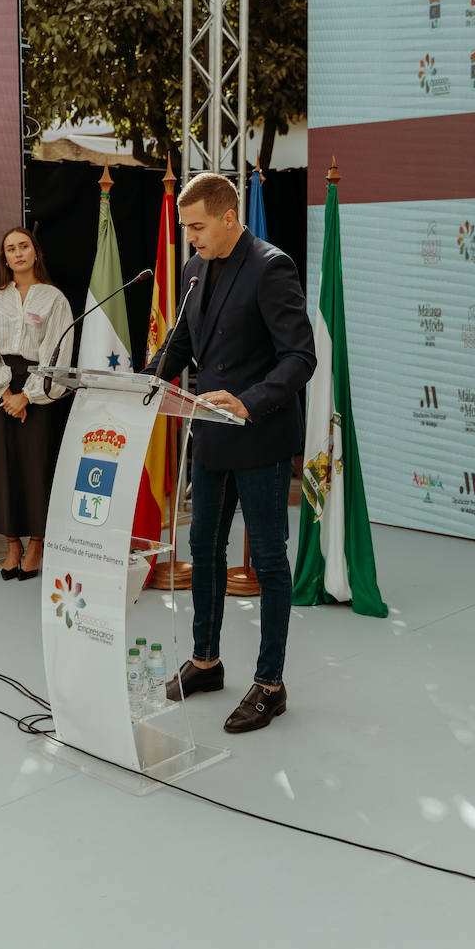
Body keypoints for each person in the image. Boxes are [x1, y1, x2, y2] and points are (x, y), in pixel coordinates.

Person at [144, 172, 316, 734]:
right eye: (185, 227)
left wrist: (246, 402)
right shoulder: (195, 268)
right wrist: (145, 382)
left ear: (227, 218)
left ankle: (270, 684)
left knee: (268, 560)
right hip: (210, 435)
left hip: (259, 436)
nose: (189, 237)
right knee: (205, 549)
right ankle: (207, 660)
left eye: (196, 227)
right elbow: (183, 344)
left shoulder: (271, 267)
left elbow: (299, 357)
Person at [0, 227, 73, 582]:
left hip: (39, 392)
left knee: (36, 467)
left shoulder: (54, 299)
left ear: (35, 253)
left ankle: (36, 542)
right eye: (10, 249)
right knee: (5, 467)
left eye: (24, 247)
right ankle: (12, 543)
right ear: (5, 258)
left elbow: (57, 354)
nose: (17, 254)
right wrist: (5, 393)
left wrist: (27, 395)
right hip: (1, 389)